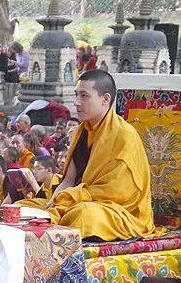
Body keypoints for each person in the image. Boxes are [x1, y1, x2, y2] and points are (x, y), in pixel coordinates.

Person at [43, 70, 160, 241]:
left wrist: (69, 198)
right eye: (76, 95)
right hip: (80, 201)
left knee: (84, 215)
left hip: (118, 210)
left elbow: (117, 191)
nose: (76, 103)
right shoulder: (79, 133)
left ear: (105, 99)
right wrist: (54, 203)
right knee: (26, 207)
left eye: (84, 96)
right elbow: (68, 180)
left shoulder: (124, 135)